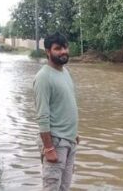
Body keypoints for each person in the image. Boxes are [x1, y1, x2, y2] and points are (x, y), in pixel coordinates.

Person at [33, 32, 79, 190]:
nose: (63, 51)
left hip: (69, 140)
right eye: (58, 48)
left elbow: (64, 105)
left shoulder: (65, 72)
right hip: (56, 142)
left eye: (65, 47)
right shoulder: (43, 77)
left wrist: (74, 133)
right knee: (52, 187)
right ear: (47, 51)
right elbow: (42, 115)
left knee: (64, 187)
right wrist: (49, 147)